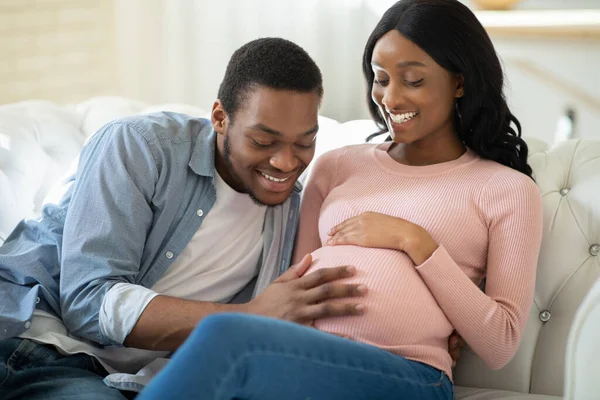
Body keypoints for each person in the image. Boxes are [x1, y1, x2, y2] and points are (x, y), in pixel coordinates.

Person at [137, 0, 544, 399]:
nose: (391, 98)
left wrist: (415, 241)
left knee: (223, 336)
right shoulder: (337, 165)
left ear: (459, 81)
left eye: (413, 80)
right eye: (381, 78)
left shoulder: (506, 189)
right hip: (302, 360)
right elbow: (298, 281)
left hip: (408, 373)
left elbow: (500, 342)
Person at [0, 38, 371, 399]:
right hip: (45, 349)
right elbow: (88, 303)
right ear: (220, 118)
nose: (286, 163)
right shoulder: (140, 147)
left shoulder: (292, 211)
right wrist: (249, 317)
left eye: (304, 143)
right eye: (263, 142)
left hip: (142, 381)